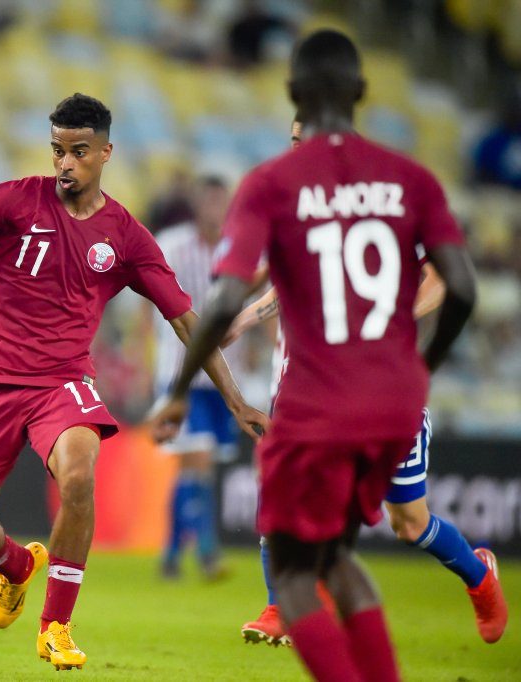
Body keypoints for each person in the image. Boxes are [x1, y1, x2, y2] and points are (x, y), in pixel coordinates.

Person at [0, 93, 270, 671]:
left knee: (80, 474)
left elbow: (186, 320)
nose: (66, 163)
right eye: (58, 150)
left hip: (62, 383)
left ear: (106, 153)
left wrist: (236, 399)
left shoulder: (127, 238)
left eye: (79, 151)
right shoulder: (13, 199)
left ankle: (55, 626)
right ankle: (17, 566)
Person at [151, 29, 480, 681]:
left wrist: (182, 387)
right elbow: (464, 287)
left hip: (318, 396)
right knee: (336, 554)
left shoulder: (274, 186)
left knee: (314, 561)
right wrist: (420, 369)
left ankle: (459, 579)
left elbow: (222, 297)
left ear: (293, 93)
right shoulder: (409, 180)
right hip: (389, 398)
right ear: (360, 92)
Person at [232, 264, 508, 647]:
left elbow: (441, 277)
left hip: (388, 393)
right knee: (282, 489)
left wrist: (386, 317)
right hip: (313, 384)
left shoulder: (392, 227)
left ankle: (479, 577)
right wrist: (242, 319)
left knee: (410, 524)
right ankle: (280, 607)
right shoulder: (311, 231)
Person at [152, 175, 245, 579]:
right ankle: (207, 551)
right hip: (181, 373)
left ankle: (171, 554)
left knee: (194, 467)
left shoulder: (238, 249)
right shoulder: (172, 245)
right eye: (209, 201)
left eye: (221, 201)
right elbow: (147, 304)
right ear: (196, 205)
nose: (215, 209)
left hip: (224, 376)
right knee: (198, 458)